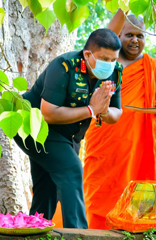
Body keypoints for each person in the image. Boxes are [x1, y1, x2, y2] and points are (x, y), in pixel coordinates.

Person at [12, 28, 123, 229]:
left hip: (68, 134)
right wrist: (91, 109)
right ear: (88, 54)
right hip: (33, 124)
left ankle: (33, 236)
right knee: (72, 170)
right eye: (104, 59)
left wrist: (102, 110)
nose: (109, 64)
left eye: (113, 59)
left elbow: (116, 112)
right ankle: (79, 237)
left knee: (48, 188)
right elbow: (48, 113)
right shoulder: (64, 66)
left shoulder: (114, 73)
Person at [83, 13, 156, 229]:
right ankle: (96, 235)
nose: (135, 40)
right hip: (105, 143)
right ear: (118, 36)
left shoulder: (154, 67)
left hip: (140, 145)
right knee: (99, 193)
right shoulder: (105, 62)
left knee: (139, 198)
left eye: (140, 35)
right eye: (129, 35)